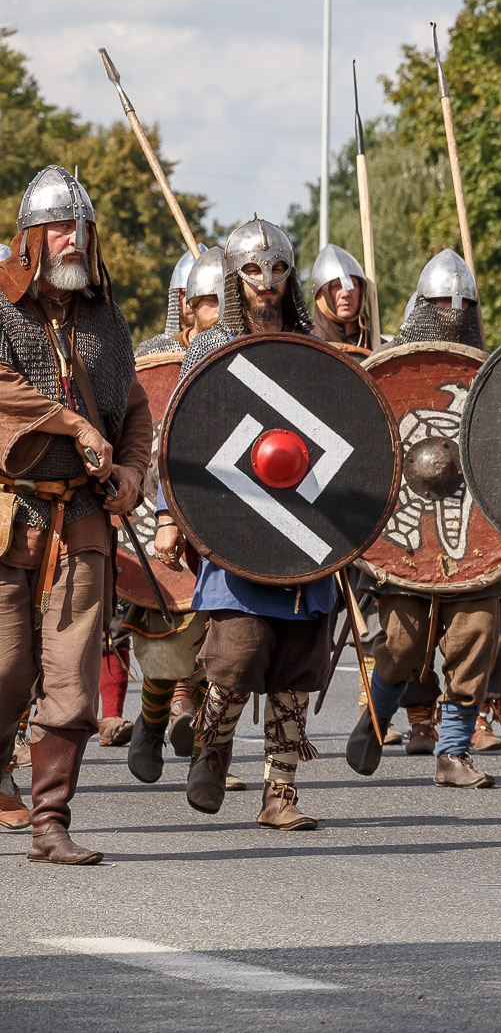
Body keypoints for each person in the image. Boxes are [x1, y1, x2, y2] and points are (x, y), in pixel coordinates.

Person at [153, 218, 334, 831]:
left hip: (305, 525)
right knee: (237, 652)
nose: (267, 283)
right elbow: (178, 442)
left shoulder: (314, 353)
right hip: (234, 522)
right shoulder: (210, 348)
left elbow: (347, 447)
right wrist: (169, 517)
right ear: (235, 278)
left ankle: (279, 792)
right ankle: (213, 744)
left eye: (279, 270)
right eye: (254, 272)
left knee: (296, 665)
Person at [0, 168, 151, 864]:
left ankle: (50, 820)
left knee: (70, 677)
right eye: (61, 226)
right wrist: (73, 427)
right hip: (10, 518)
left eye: (81, 227)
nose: (73, 238)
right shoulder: (2, 310)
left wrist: (129, 471)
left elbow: (136, 412)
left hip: (84, 521)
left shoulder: (106, 320)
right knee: (6, 667)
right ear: (31, 238)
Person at [345, 250, 501, 790]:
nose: (453, 313)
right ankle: (377, 716)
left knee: (476, 636)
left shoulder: (492, 375)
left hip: (472, 521)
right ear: (420, 305)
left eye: (464, 304)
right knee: (403, 644)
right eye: (440, 303)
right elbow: (366, 450)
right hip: (405, 526)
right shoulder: (395, 368)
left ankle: (453, 751)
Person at [121, 247, 228, 788]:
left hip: (225, 512)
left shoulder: (243, 349)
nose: (214, 310)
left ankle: (209, 746)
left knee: (224, 635)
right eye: (205, 300)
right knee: (165, 635)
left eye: (221, 299)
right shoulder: (153, 359)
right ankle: (152, 721)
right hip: (162, 514)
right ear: (183, 304)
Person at [305, 244, 378, 352]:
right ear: (322, 296)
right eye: (336, 286)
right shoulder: (305, 346)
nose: (346, 293)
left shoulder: (377, 345)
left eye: (353, 285)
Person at [135, 247, 201, 356]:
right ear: (175, 297)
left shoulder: (230, 345)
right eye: (185, 294)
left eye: (198, 295)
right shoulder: (152, 350)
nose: (191, 302)